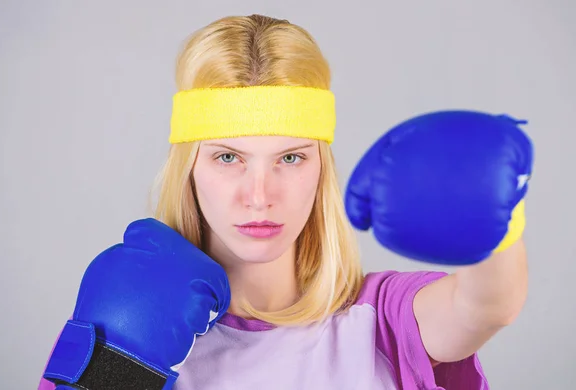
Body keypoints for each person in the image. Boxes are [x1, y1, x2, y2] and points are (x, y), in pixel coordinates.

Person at [38, 14, 533, 390]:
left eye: (291, 158)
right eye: (229, 157)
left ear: (322, 169)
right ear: (189, 167)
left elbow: (488, 306)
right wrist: (111, 371)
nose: (260, 194)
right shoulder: (129, 322)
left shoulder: (381, 319)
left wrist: (499, 218)